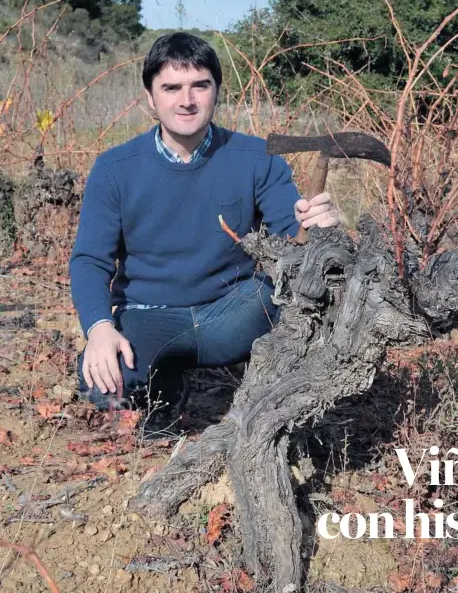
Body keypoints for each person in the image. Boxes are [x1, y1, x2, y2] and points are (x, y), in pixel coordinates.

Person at [70, 32, 340, 411]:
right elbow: (90, 260)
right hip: (149, 315)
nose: (187, 100)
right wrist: (99, 328)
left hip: (233, 310)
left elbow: (295, 238)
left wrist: (318, 223)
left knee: (289, 299)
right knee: (105, 387)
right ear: (150, 97)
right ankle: (167, 377)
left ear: (216, 91)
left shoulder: (256, 156)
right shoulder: (115, 168)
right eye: (171, 87)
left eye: (200, 85)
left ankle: (282, 399)